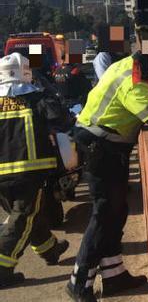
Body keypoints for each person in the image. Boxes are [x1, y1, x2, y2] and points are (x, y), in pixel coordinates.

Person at [66, 18, 148, 301]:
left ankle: (114, 276)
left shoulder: (131, 66)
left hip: (107, 148)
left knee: (116, 211)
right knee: (104, 213)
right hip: (99, 148)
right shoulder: (136, 82)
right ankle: (79, 281)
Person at [0, 53, 70, 288]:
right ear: (27, 73)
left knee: (30, 214)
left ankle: (49, 249)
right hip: (28, 171)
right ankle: (2, 268)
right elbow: (60, 120)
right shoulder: (35, 97)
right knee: (22, 217)